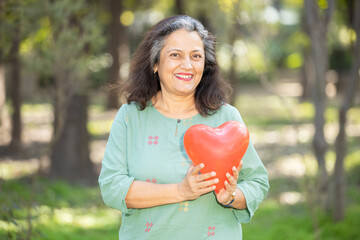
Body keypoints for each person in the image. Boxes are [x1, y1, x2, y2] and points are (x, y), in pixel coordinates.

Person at [99, 15, 269, 240]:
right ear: (155, 63)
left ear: (205, 65)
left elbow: (257, 181)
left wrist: (231, 196)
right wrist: (180, 191)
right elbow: (112, 187)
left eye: (196, 56)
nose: (187, 65)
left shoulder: (227, 117)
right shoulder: (130, 117)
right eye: (175, 55)